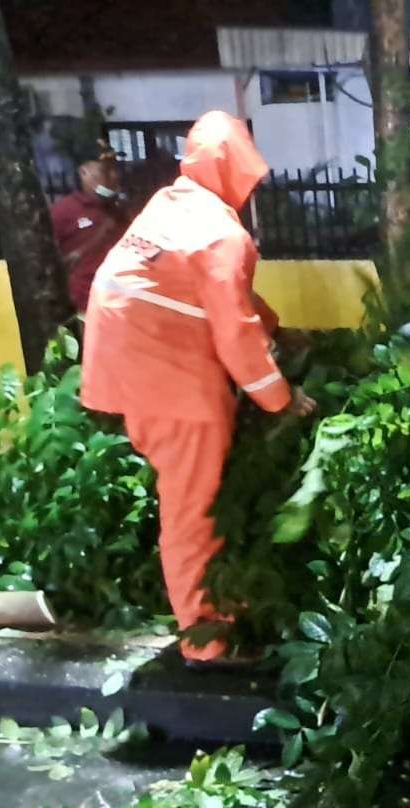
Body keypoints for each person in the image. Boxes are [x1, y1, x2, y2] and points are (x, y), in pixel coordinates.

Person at [81, 110, 316, 668]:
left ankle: (219, 618)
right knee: (194, 515)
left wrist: (278, 328)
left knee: (196, 504)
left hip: (131, 368)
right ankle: (206, 645)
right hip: (168, 379)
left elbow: (215, 295)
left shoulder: (174, 205)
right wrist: (282, 399)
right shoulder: (222, 234)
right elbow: (233, 332)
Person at [51, 152, 130, 313]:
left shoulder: (120, 212)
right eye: (105, 172)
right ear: (83, 173)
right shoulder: (63, 212)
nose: (113, 177)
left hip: (122, 303)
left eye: (114, 170)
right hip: (84, 305)